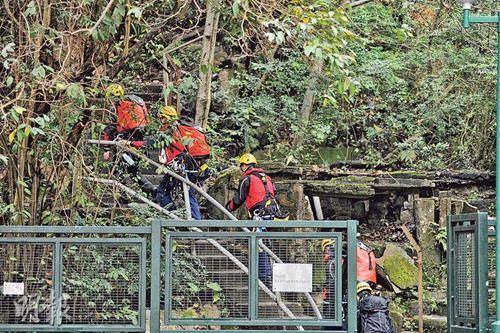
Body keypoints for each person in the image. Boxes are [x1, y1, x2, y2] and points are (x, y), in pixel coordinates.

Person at [225, 153, 288, 288]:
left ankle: (265, 279)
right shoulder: (267, 178)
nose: (241, 168)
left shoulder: (247, 178)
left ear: (245, 165)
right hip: (272, 213)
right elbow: (273, 194)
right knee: (265, 245)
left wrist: (228, 208)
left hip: (260, 215)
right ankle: (267, 276)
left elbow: (239, 198)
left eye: (241, 165)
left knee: (260, 247)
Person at [153, 106, 211, 220]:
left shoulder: (171, 131)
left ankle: (176, 217)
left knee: (163, 192)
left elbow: (154, 144)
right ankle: (193, 221)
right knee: (188, 194)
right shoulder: (182, 129)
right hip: (194, 165)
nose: (160, 120)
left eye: (162, 118)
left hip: (182, 166)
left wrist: (131, 142)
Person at [102, 83, 156, 195]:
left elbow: (110, 128)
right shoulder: (128, 107)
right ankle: (145, 191)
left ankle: (148, 190)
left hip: (125, 142)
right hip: (134, 141)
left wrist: (106, 149)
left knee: (122, 170)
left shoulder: (118, 109)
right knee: (127, 170)